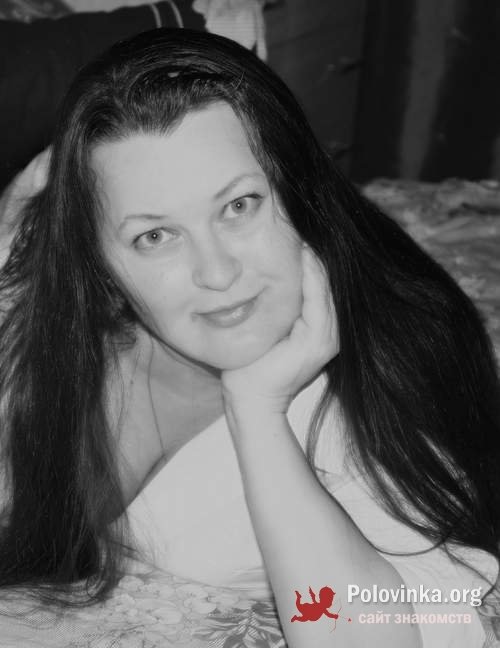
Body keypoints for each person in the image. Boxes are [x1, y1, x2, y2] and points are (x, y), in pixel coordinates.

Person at [0, 27, 498, 648]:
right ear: (99, 262)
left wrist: (259, 411)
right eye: (155, 236)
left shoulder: (382, 387)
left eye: (239, 206)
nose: (217, 273)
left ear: (298, 189)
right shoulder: (47, 316)